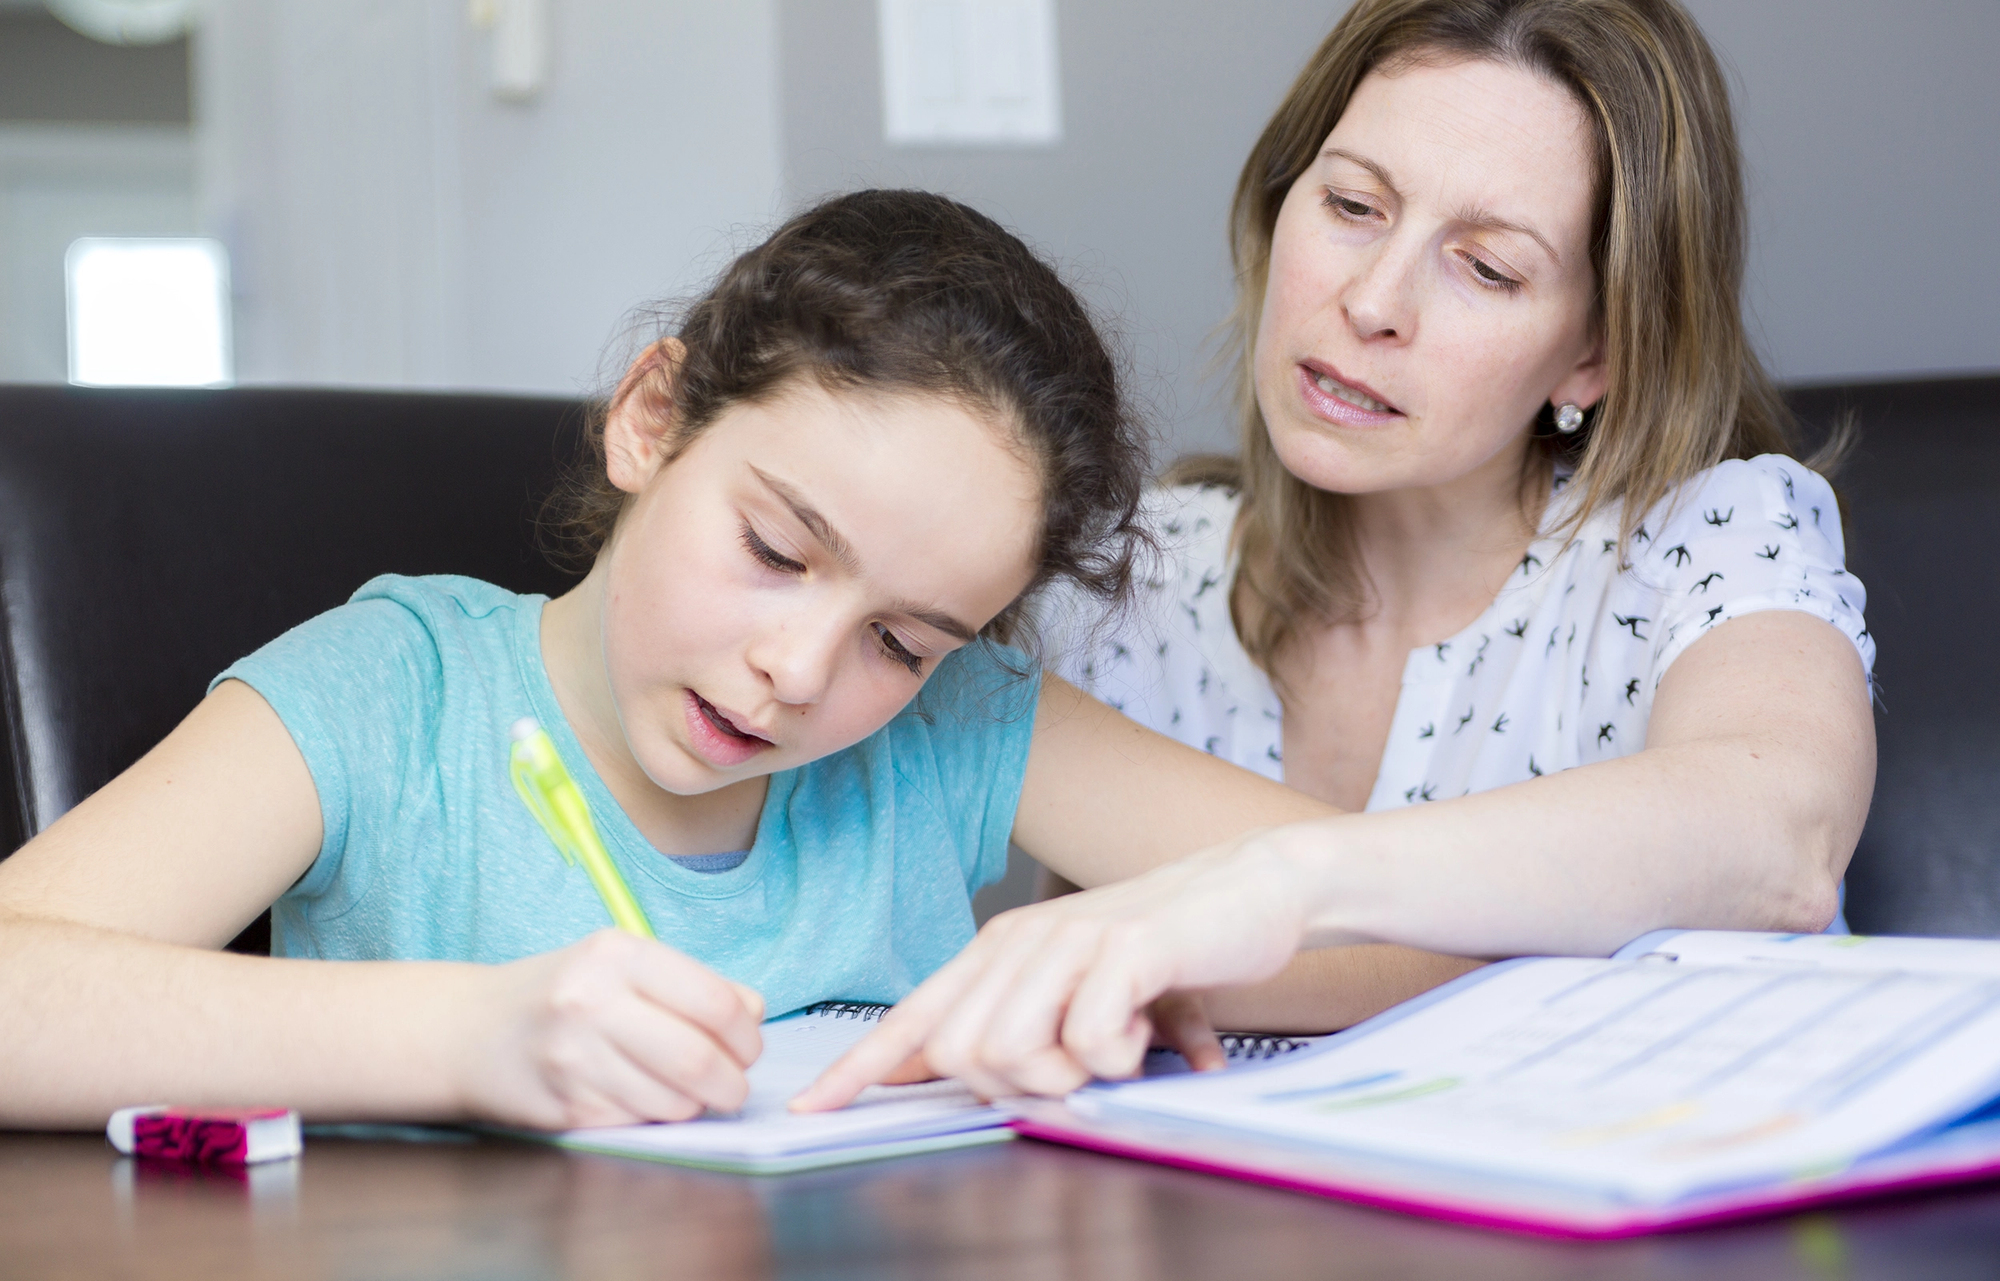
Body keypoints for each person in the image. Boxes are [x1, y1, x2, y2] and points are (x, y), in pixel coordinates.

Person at [0, 190, 1334, 1131]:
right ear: (651, 420)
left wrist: (1121, 956)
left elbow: (1403, 920)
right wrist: (464, 1040)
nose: (801, 669)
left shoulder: (958, 724)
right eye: (774, 546)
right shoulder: (392, 693)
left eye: (902, 640)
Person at [799, 0, 1876, 1111]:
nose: (1370, 302)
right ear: (1279, 210)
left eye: (1486, 269)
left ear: (1593, 350)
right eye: (1352, 205)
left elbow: (1780, 836)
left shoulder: (1711, 537)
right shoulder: (1132, 588)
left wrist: (1279, 886)